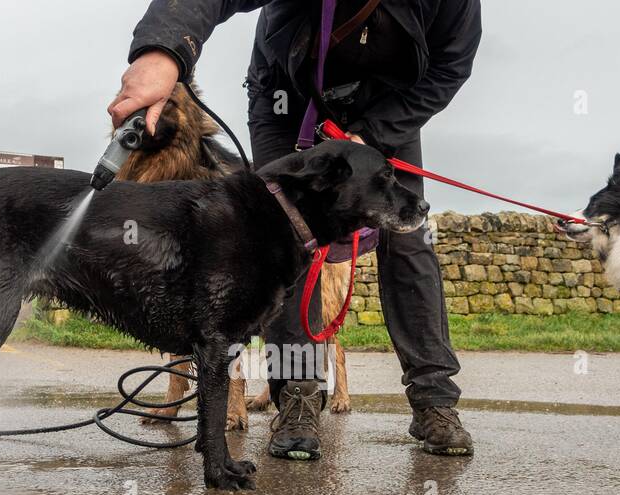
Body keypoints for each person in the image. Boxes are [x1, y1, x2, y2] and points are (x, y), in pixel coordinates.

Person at [110, 0, 481, 460]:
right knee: (284, 237)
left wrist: (374, 133)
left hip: (389, 104)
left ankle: (435, 402)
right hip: (286, 98)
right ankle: (297, 399)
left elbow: (451, 64)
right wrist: (161, 52)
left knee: (407, 240)